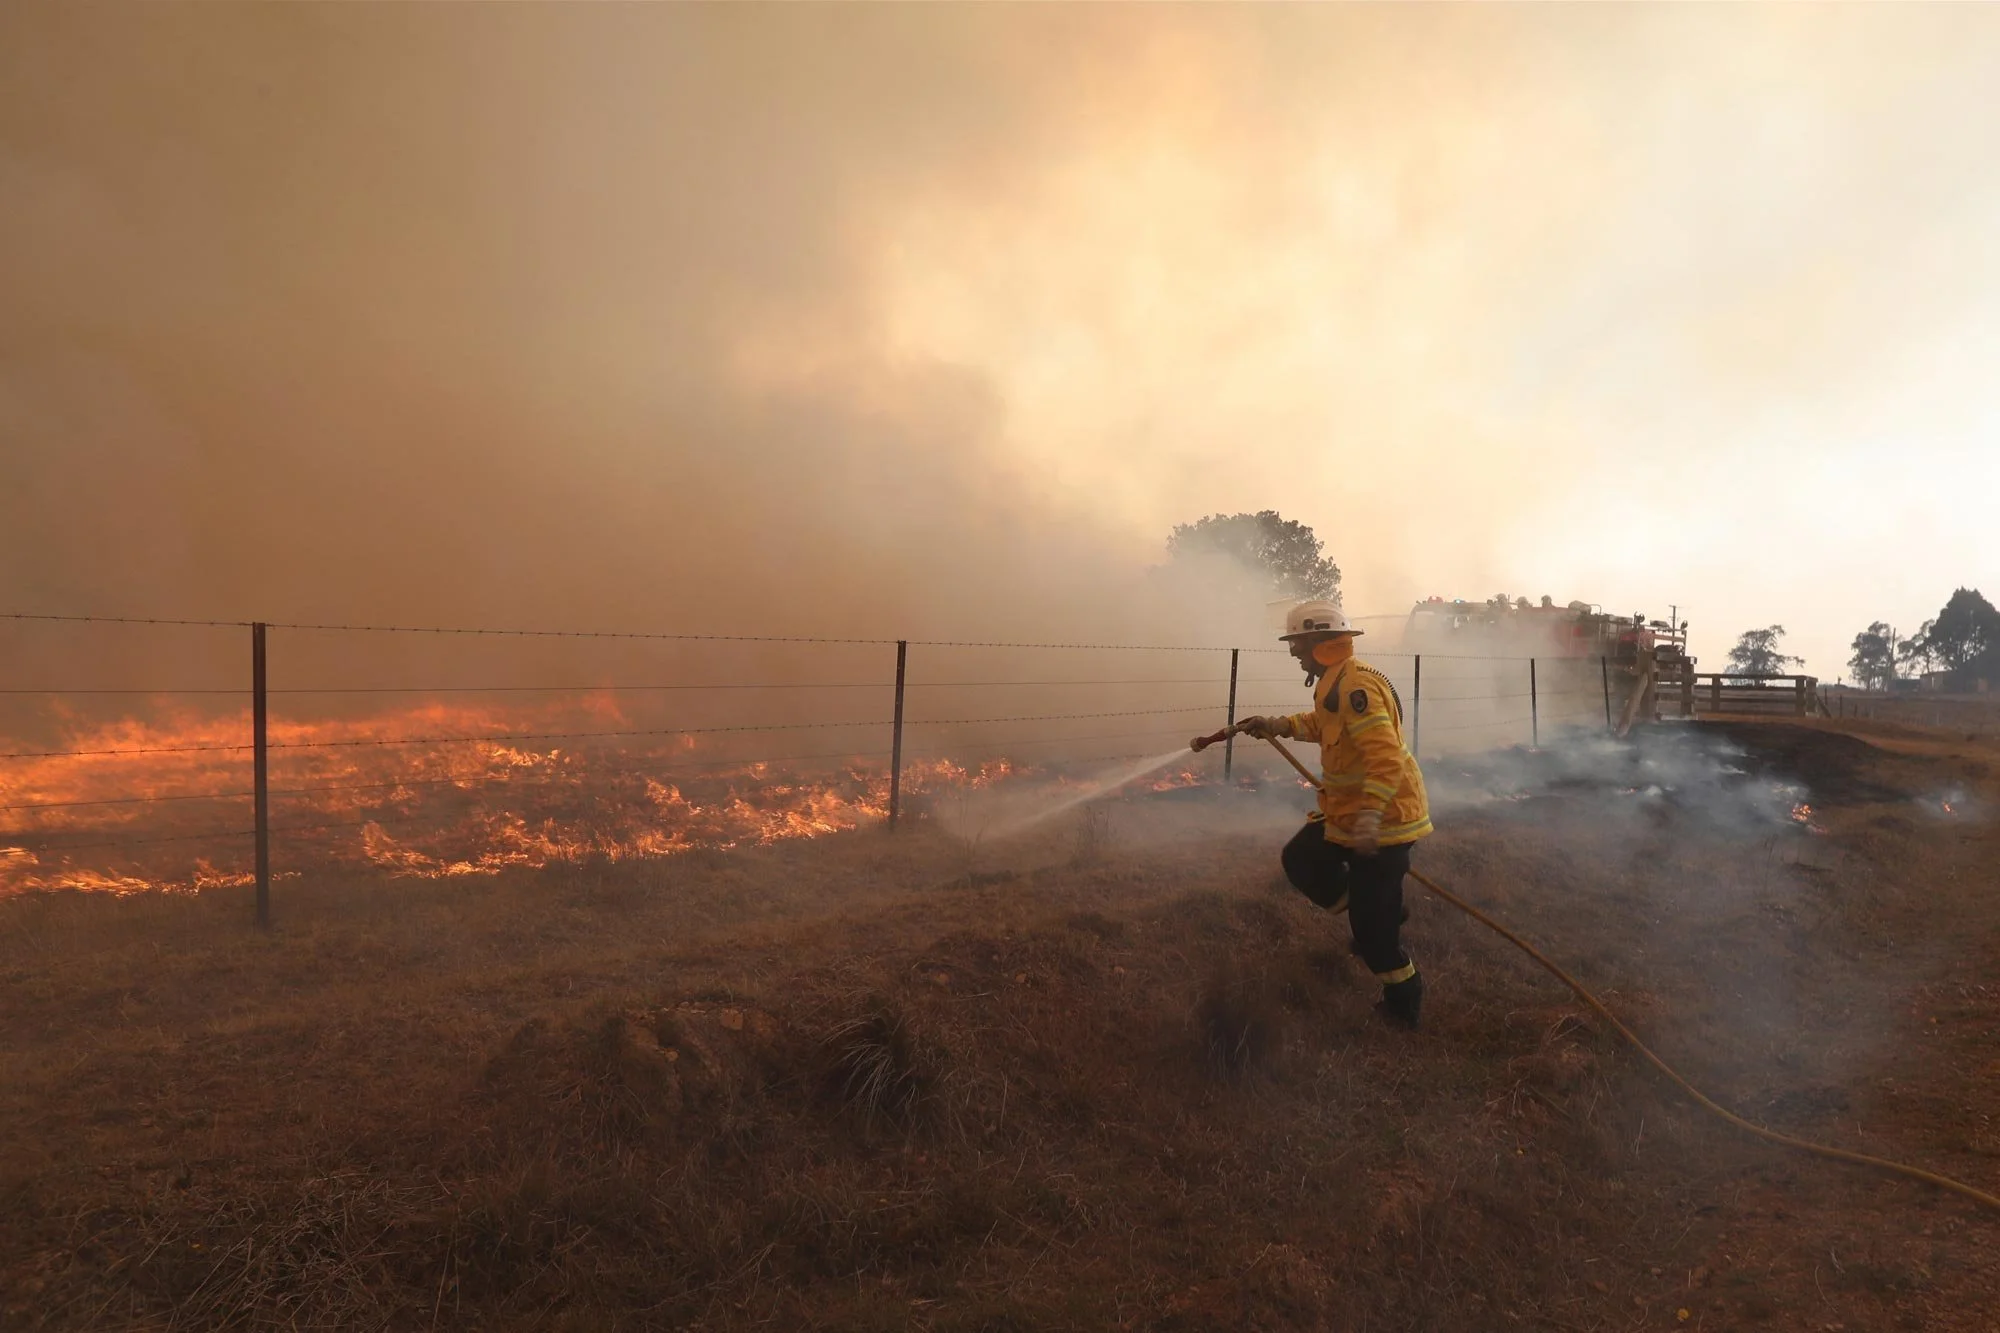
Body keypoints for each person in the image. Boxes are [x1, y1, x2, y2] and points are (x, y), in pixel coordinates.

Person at [1237, 599, 1433, 1028]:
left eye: (1299, 644)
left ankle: (1403, 1000)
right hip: (1352, 814)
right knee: (1301, 858)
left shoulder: (1356, 688)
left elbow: (1386, 760)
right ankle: (1381, 909)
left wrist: (1369, 817)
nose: (1294, 653)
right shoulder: (1333, 683)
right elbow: (1323, 724)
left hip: (1384, 821)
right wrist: (1278, 724)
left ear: (1321, 644)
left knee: (1374, 939)